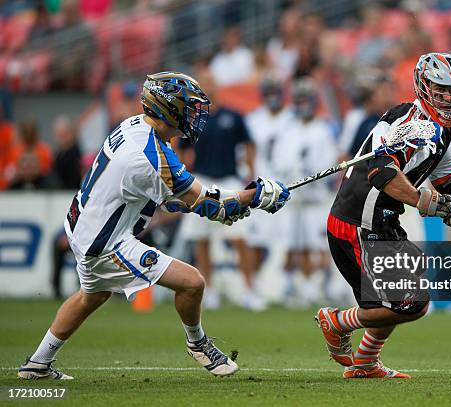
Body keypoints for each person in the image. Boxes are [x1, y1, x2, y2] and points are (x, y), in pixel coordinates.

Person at [17, 71, 290, 380]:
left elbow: (169, 196)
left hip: (85, 226)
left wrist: (220, 206)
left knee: (92, 295)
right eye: (188, 107)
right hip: (106, 242)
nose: (195, 115)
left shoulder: (134, 126)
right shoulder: (149, 155)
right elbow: (205, 202)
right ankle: (198, 344)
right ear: (167, 108)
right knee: (192, 282)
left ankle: (37, 364)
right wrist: (257, 196)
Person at [315, 53, 451, 378]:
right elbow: (381, 171)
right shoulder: (415, 125)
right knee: (409, 303)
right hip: (357, 221)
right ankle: (337, 322)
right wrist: (427, 202)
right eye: (441, 89)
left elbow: (450, 180)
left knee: (409, 293)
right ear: (423, 85)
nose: (449, 98)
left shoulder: (441, 131)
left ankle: (365, 363)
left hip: (381, 220)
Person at [178, 67, 257, 310]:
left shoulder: (234, 116)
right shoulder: (194, 118)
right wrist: (183, 172)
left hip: (230, 180)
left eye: (212, 83)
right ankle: (209, 291)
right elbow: (180, 146)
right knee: (202, 239)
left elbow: (249, 144)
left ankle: (249, 290)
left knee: (239, 238)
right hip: (201, 180)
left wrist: (250, 173)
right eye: (205, 83)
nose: (209, 87)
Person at [274, 78, 337, 307]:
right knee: (293, 243)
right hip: (294, 198)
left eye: (306, 100)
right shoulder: (289, 131)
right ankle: (293, 285)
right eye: (299, 100)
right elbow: (279, 159)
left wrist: (311, 170)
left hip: (315, 198)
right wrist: (291, 170)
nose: (303, 105)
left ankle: (321, 285)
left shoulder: (322, 129)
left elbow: (329, 161)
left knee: (317, 244)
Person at [245, 76, 294, 309]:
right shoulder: (253, 120)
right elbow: (246, 152)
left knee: (289, 242)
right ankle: (253, 288)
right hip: (262, 188)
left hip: (288, 187)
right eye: (269, 91)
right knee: (256, 241)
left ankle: (287, 286)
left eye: (276, 90)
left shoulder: (292, 119)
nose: (273, 96)